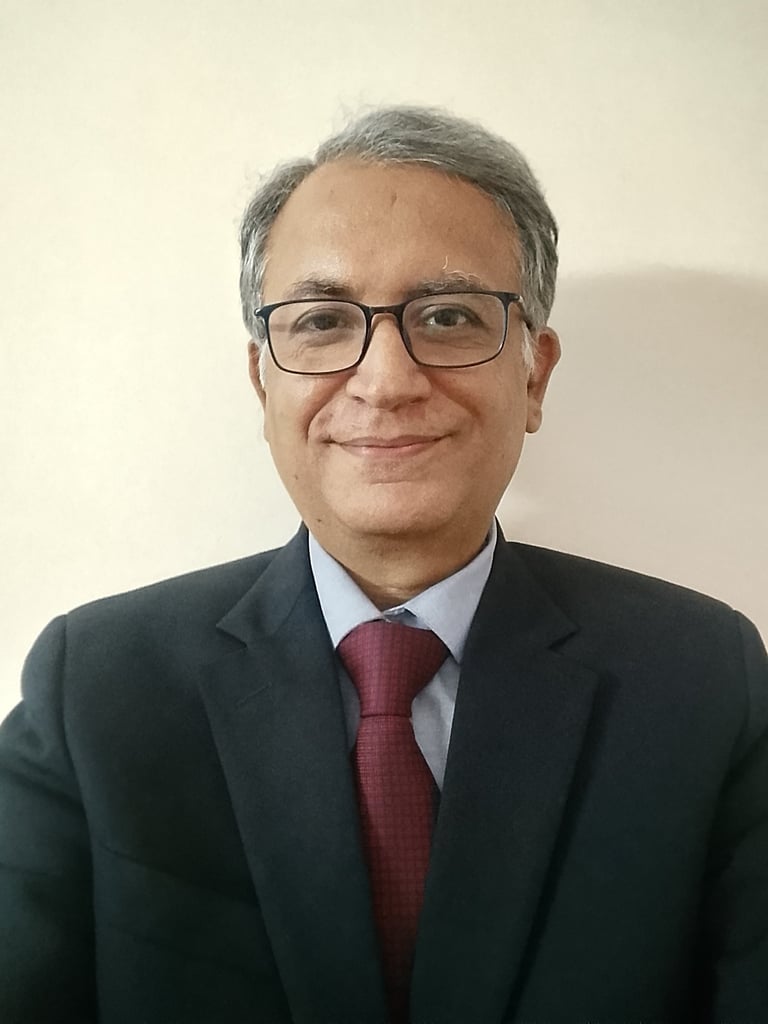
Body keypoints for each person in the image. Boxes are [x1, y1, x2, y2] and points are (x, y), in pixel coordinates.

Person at [0, 106, 766, 1024]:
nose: (387, 379)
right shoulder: (98, 685)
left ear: (533, 375)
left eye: (447, 316)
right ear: (263, 379)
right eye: (323, 320)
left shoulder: (700, 679)